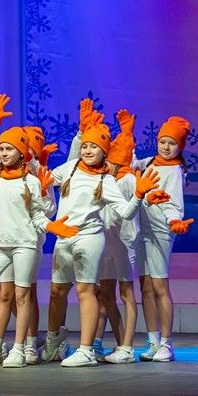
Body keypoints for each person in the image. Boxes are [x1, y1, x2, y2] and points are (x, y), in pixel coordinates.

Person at [41, 123, 163, 367]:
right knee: (56, 291)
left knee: (84, 290)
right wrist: (41, 169)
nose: (87, 150)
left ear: (104, 151)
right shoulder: (71, 168)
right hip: (63, 236)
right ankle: (53, 341)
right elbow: (45, 180)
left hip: (89, 237)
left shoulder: (106, 180)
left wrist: (138, 196)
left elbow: (126, 212)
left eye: (94, 146)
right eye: (85, 146)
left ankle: (86, 350)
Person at [0, 127, 78, 368]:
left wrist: (51, 226)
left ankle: (18, 349)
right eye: (1, 149)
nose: (4, 153)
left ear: (21, 152)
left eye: (9, 149)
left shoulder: (31, 182)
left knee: (21, 295)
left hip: (24, 245)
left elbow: (37, 216)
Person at [134, 116, 193, 362]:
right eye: (162, 142)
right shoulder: (150, 162)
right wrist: (126, 140)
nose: (166, 147)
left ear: (180, 146)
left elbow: (174, 205)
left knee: (159, 286)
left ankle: (167, 344)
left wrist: (174, 221)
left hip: (160, 232)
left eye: (172, 143)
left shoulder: (175, 171)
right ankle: (153, 341)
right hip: (142, 230)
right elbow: (129, 165)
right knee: (145, 286)